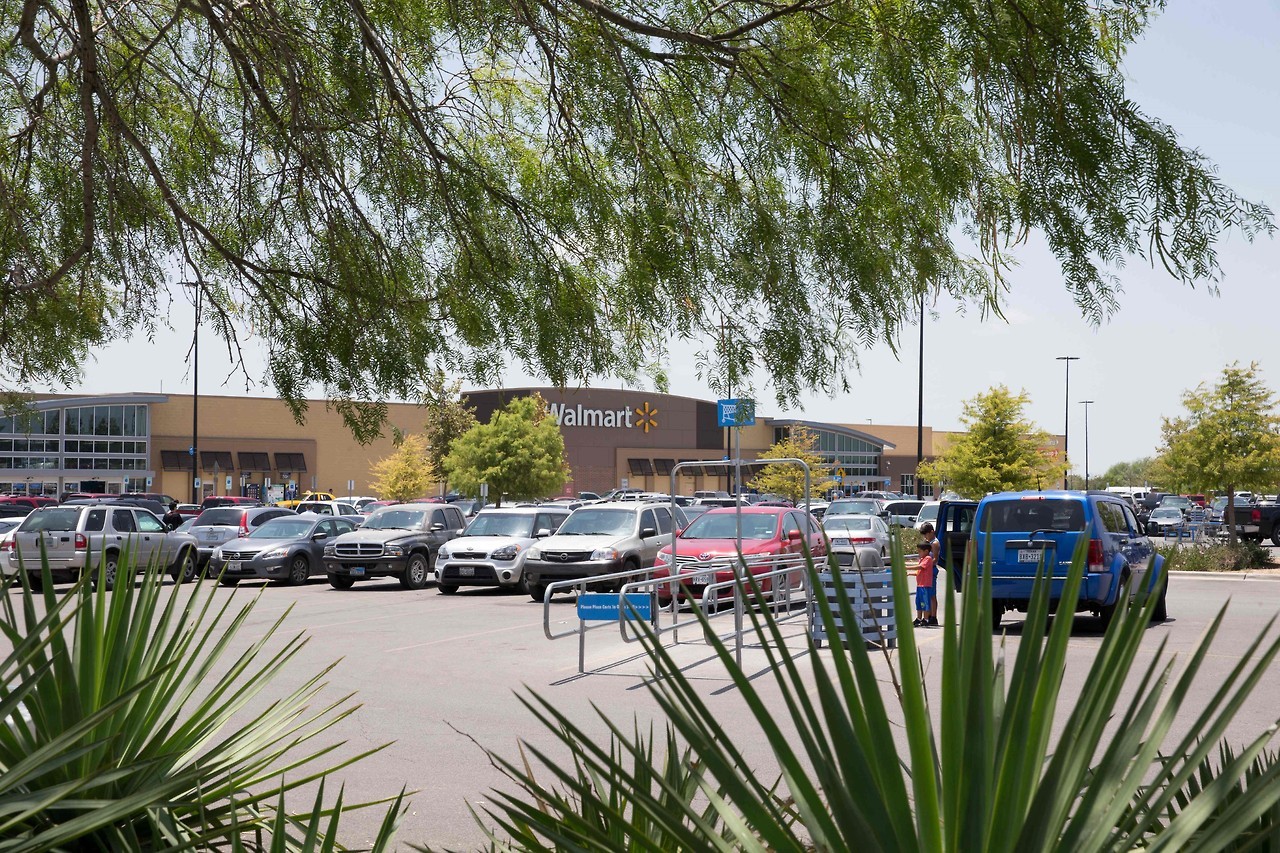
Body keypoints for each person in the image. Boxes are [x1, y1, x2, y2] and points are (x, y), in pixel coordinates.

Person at [919, 522, 941, 626]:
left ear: (931, 532)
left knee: (932, 595)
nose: (925, 537)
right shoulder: (927, 541)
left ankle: (933, 616)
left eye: (926, 534)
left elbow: (935, 558)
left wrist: (927, 565)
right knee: (926, 594)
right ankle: (926, 616)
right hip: (926, 571)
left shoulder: (935, 543)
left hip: (931, 570)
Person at [914, 541, 935, 628]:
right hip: (919, 585)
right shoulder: (922, 559)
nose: (919, 553)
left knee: (925, 603)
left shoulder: (928, 559)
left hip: (925, 586)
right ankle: (919, 618)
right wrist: (910, 573)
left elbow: (920, 567)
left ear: (926, 551)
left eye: (920, 551)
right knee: (918, 602)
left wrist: (905, 566)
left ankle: (926, 619)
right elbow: (919, 572)